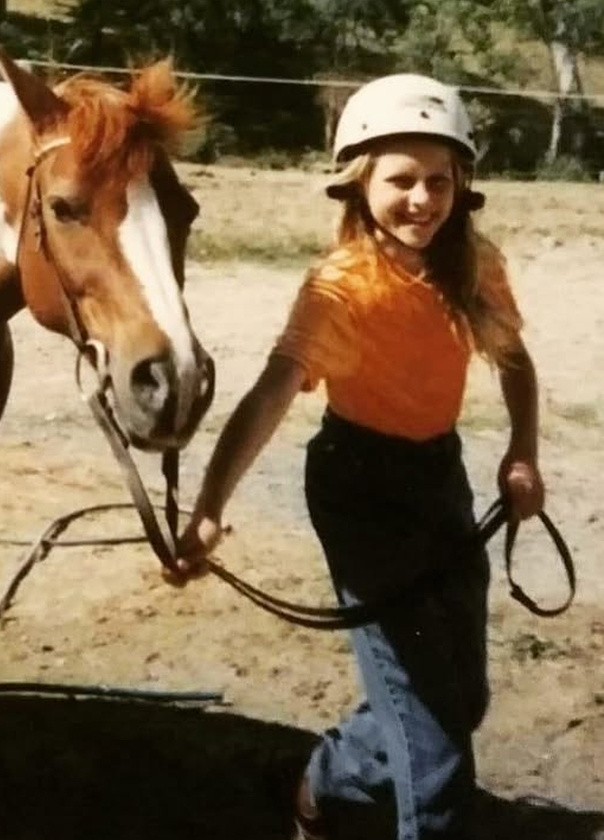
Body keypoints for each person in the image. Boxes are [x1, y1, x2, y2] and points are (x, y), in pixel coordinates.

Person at [166, 73, 545, 840]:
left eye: (439, 180)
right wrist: (209, 509)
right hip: (358, 487)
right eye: (401, 179)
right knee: (435, 739)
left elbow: (514, 361)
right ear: (357, 184)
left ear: (463, 185)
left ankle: (323, 782)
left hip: (438, 474)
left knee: (461, 698)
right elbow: (270, 396)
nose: (422, 199)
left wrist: (522, 454)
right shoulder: (340, 289)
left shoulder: (475, 267)